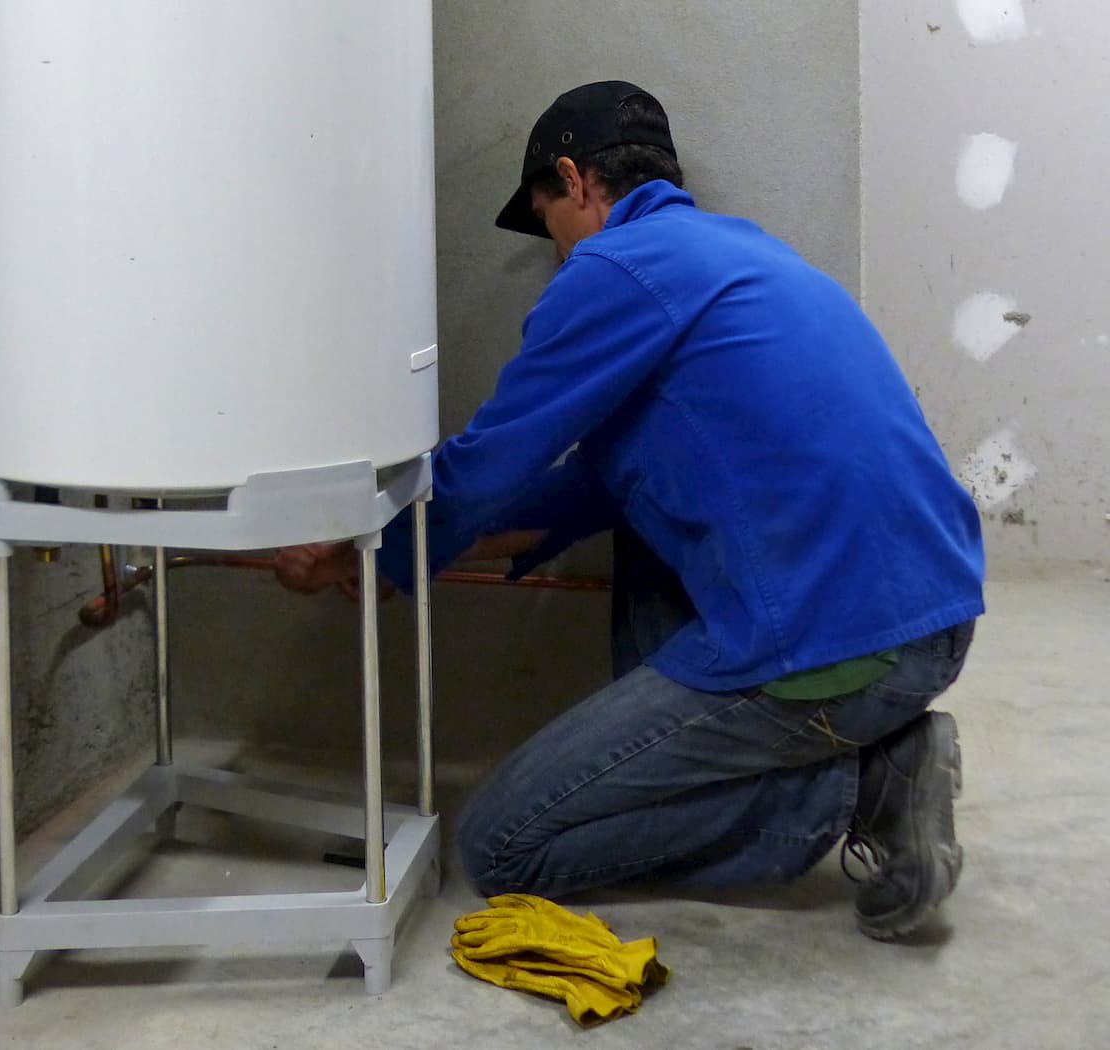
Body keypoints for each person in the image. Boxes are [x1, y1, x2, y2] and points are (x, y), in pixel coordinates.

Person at [273, 81, 984, 941]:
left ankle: (865, 786)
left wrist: (378, 554)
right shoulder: (738, 255)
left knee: (504, 848)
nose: (554, 251)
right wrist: (390, 549)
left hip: (843, 646)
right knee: (641, 540)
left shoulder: (614, 271)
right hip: (925, 611)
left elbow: (489, 465)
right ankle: (816, 762)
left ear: (574, 179)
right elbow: (579, 493)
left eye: (546, 220)